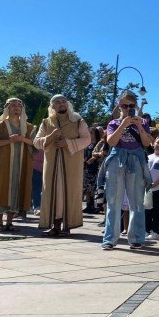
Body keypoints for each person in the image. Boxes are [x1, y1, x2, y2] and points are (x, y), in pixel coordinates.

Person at [33, 95, 91, 236]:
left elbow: (87, 139)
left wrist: (68, 143)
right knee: (53, 193)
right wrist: (51, 137)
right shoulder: (46, 122)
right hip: (52, 165)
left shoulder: (78, 121)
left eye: (63, 101)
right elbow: (36, 142)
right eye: (57, 102)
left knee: (69, 192)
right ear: (53, 106)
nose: (61, 104)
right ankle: (56, 225)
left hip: (71, 165)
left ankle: (68, 225)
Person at [102, 90, 152, 250]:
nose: (127, 108)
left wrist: (138, 125)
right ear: (119, 106)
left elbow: (146, 143)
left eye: (131, 106)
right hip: (117, 160)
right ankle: (110, 238)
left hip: (136, 161)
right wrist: (123, 124)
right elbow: (111, 141)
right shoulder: (113, 123)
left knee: (136, 201)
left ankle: (137, 237)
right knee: (113, 201)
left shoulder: (143, 122)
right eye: (124, 106)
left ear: (135, 106)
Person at [0, 98, 38, 232]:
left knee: (17, 190)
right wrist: (10, 140)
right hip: (2, 165)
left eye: (19, 105)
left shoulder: (30, 127)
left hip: (21, 164)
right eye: (13, 105)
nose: (16, 107)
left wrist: (22, 139)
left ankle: (10, 222)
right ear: (7, 108)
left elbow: (35, 144)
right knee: (0, 188)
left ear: (22, 109)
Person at [83, 127, 104, 214]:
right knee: (87, 188)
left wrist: (93, 158)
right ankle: (88, 205)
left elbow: (98, 154)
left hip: (95, 168)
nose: (90, 135)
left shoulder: (98, 144)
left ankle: (95, 206)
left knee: (93, 189)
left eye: (91, 133)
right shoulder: (88, 144)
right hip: (87, 168)